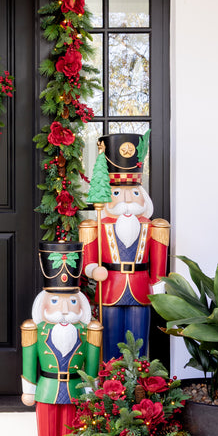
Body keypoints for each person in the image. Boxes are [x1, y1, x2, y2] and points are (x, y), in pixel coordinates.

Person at [21, 242, 102, 436]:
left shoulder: (87, 331)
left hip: (75, 390)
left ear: (81, 304)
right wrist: (28, 388)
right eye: (55, 302)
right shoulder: (37, 330)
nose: (64, 310)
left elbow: (92, 363)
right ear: (44, 305)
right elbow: (29, 360)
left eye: (71, 302)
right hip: (47, 389)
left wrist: (91, 389)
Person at [80, 132, 169, 362]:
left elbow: (158, 264)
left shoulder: (153, 227)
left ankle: (138, 382)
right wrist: (92, 270)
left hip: (140, 290)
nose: (127, 199)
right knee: (110, 338)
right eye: (117, 193)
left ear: (143, 196)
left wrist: (158, 287)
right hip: (110, 288)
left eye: (134, 193)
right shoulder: (97, 225)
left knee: (138, 338)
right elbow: (88, 262)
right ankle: (110, 384)